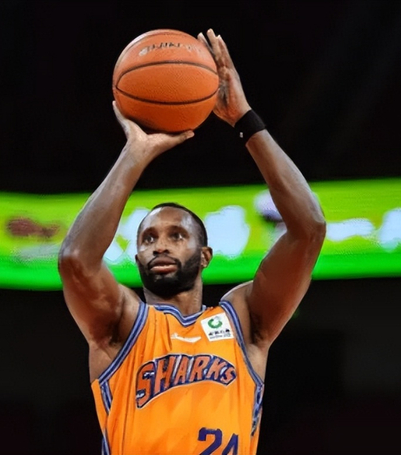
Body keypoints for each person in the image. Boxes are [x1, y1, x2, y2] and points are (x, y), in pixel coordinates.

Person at [58, 28, 326, 455]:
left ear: (204, 256)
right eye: (148, 238)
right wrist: (134, 154)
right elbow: (75, 260)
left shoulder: (244, 321)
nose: (160, 245)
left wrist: (245, 120)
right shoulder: (121, 323)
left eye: (176, 235)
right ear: (137, 258)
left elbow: (309, 228)